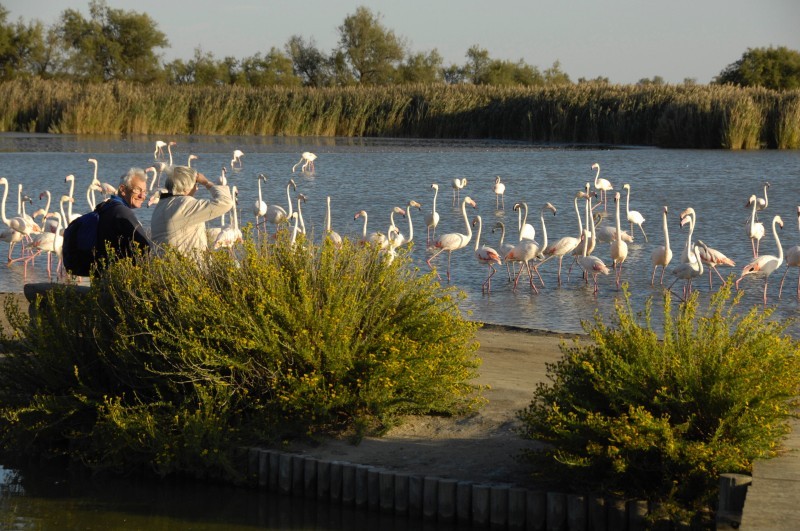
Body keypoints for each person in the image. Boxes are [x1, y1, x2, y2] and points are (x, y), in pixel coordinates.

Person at [149, 165, 233, 255]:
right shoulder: (185, 204)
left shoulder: (161, 205)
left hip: (163, 264)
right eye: (196, 184)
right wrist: (206, 182)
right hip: (186, 265)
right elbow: (226, 202)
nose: (196, 188)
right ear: (185, 188)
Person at [95, 167, 152, 268]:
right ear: (122, 189)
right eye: (137, 190)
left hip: (101, 273)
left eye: (144, 191)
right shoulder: (123, 213)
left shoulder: (105, 207)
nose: (142, 196)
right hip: (116, 276)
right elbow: (145, 247)